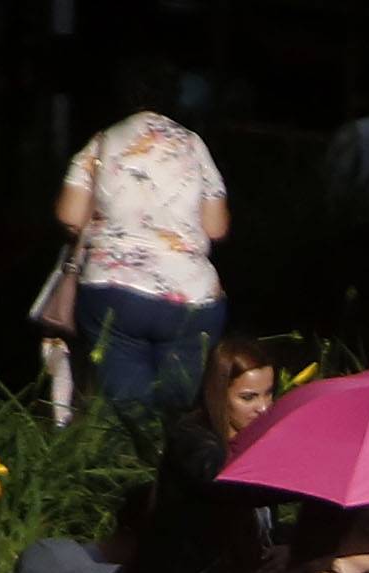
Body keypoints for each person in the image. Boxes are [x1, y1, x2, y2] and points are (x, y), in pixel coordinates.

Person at [57, 79, 231, 412]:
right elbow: (216, 228)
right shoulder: (193, 145)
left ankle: (124, 454)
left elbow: (70, 216)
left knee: (125, 413)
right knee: (178, 411)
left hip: (112, 289)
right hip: (190, 294)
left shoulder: (103, 141)